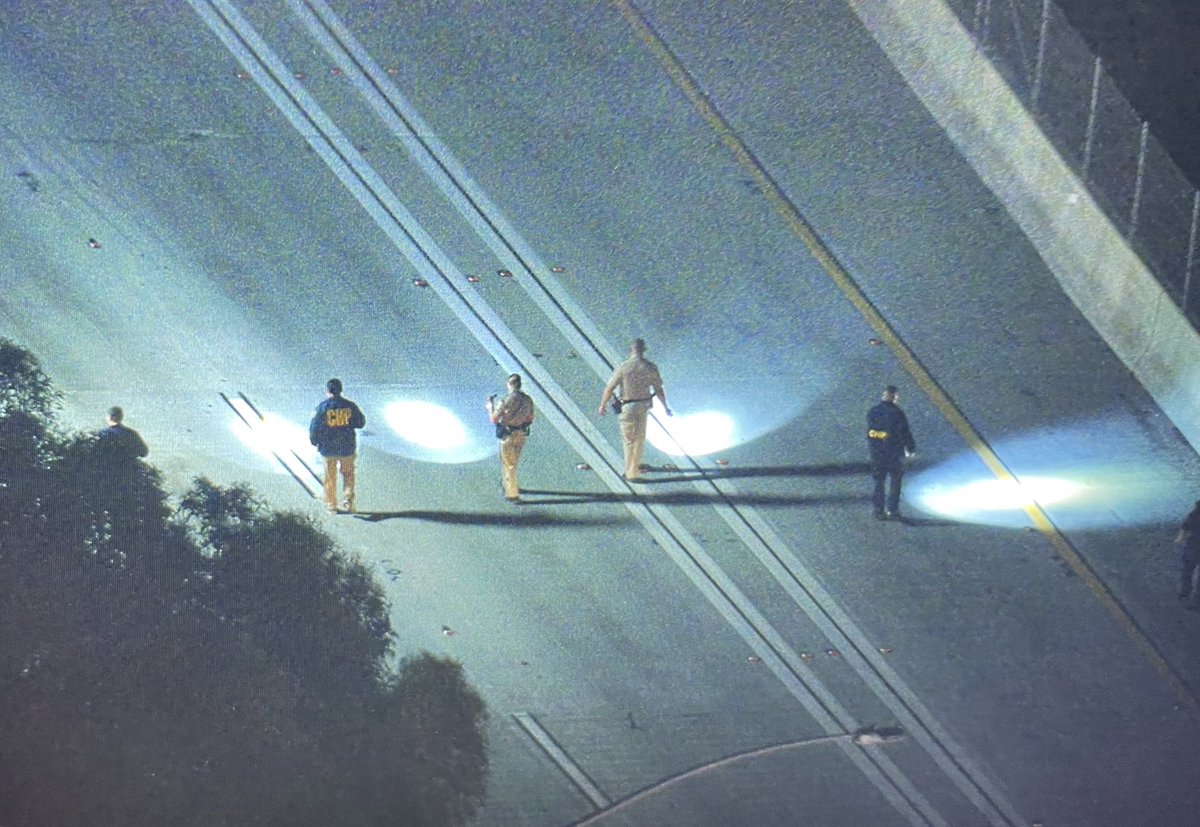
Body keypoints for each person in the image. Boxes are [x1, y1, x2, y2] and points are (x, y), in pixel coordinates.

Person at [598, 338, 672, 481]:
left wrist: (602, 405)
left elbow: (609, 388)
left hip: (627, 406)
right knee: (639, 438)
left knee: (628, 440)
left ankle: (630, 472)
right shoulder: (650, 367)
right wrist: (666, 407)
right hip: (643, 406)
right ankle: (634, 467)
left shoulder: (624, 368)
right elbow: (658, 389)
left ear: (630, 350)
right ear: (644, 350)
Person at [309, 378, 366, 513]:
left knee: (330, 477)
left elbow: (314, 426)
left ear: (328, 391)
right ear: (341, 390)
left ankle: (331, 505)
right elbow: (361, 422)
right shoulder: (350, 406)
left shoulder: (322, 407)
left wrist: (314, 440)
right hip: (347, 447)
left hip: (328, 448)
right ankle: (348, 499)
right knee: (348, 474)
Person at [867, 385, 915, 520]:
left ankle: (878, 509)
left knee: (879, 481)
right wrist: (910, 448)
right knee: (895, 481)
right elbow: (905, 432)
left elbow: (871, 433)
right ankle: (892, 509)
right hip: (894, 452)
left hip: (877, 453)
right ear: (894, 397)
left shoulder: (873, 411)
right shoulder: (898, 413)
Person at [487, 373, 535, 503]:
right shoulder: (528, 400)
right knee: (514, 461)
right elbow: (530, 417)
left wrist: (490, 407)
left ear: (509, 385)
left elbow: (494, 419)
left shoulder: (505, 400)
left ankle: (512, 493)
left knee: (508, 464)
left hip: (508, 433)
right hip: (521, 434)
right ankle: (510, 485)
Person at [1175, 500, 1200, 606]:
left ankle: (1184, 593)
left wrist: (1179, 540)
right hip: (1193, 546)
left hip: (1193, 546)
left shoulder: (1194, 515)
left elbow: (1185, 527)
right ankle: (1197, 597)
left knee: (1187, 570)